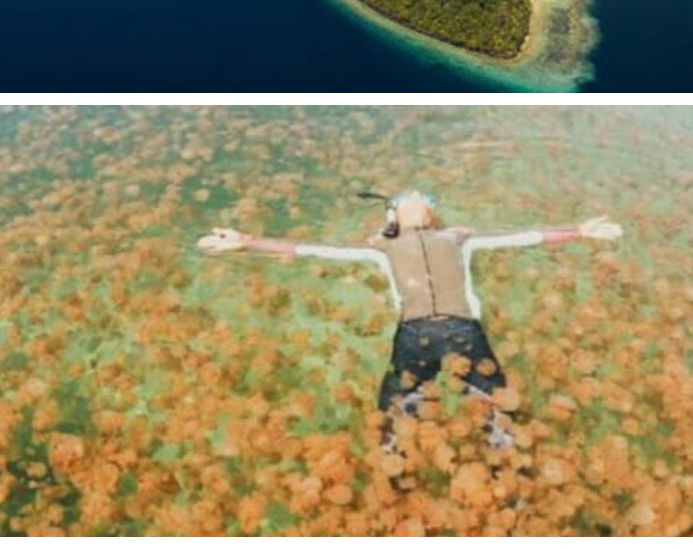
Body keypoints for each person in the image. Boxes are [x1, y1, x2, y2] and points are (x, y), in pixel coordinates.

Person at [197, 190, 622, 452]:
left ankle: (503, 480)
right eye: (411, 203)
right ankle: (402, 479)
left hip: (442, 333)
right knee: (406, 413)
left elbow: (525, 238)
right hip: (436, 334)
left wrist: (580, 231)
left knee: (484, 410)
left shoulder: (456, 240)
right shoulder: (390, 247)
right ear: (395, 217)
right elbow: (309, 249)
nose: (420, 205)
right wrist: (247, 242)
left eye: (424, 203)